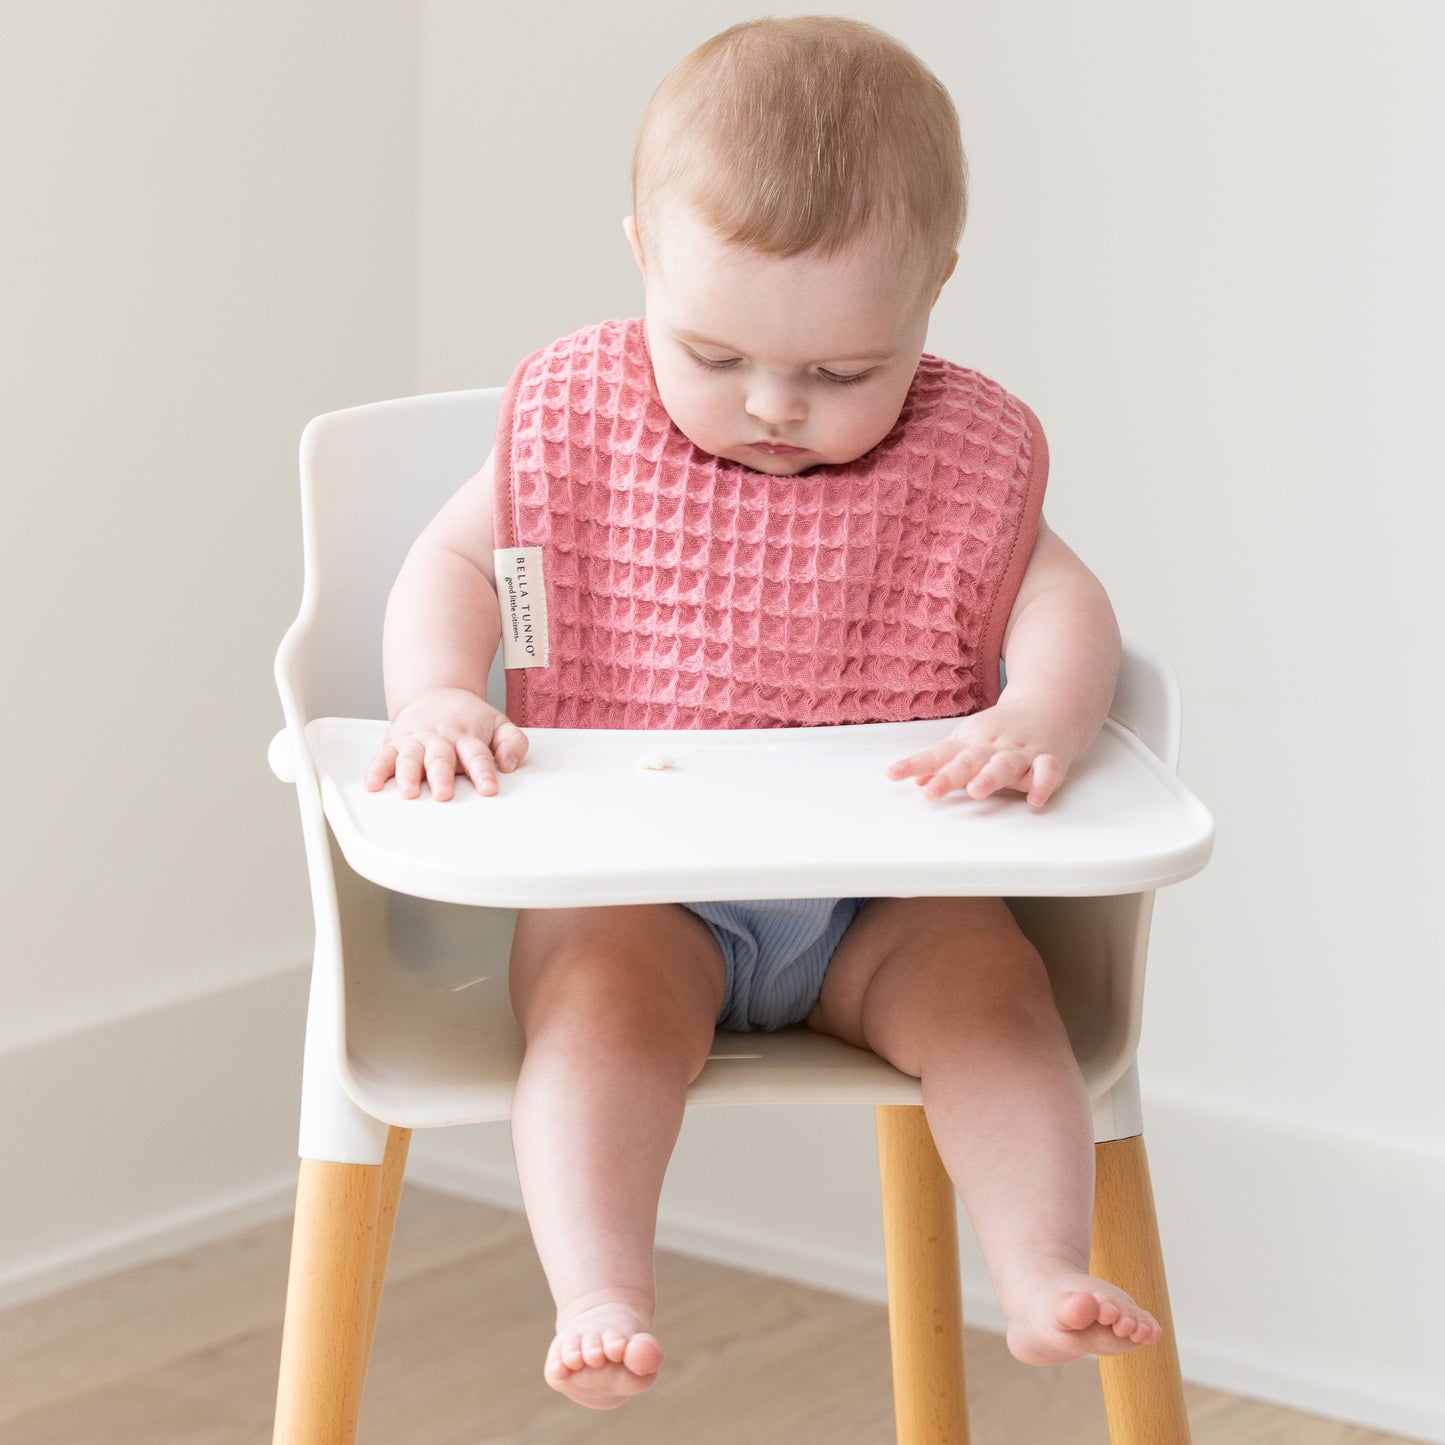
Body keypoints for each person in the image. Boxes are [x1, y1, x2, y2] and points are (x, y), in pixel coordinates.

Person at [365, 16, 1161, 1410]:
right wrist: (436, 688)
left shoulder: (962, 459)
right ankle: (601, 1285)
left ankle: (1038, 1267)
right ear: (641, 257)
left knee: (996, 1002)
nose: (776, 404)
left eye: (845, 371)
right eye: (716, 353)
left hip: (885, 898)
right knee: (599, 1025)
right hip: (640, 899)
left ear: (932, 295)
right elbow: (452, 565)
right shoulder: (574, 425)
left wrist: (1040, 707)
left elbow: (1059, 597)